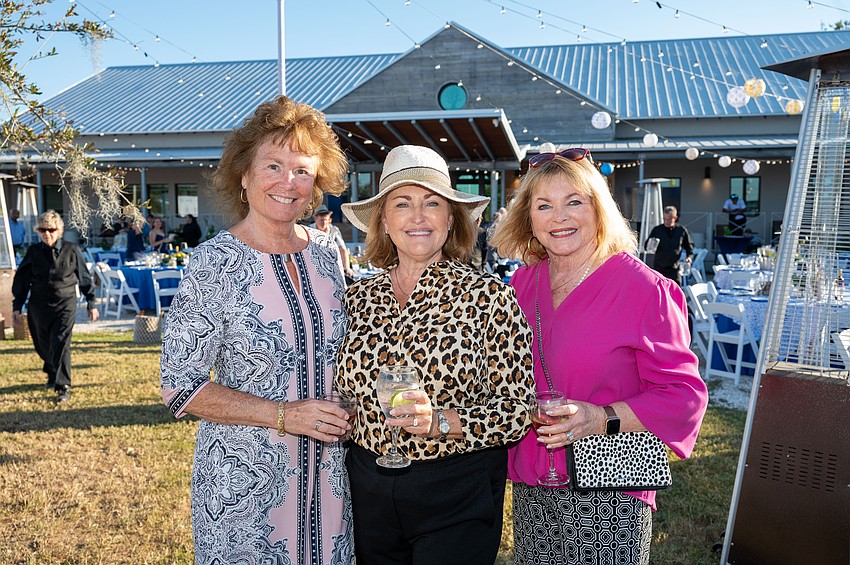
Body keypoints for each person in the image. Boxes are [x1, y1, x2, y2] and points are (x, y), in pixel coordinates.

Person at [490, 148, 708, 565]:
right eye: (544, 205)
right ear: (529, 218)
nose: (559, 217)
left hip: (609, 489)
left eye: (574, 201)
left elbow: (684, 397)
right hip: (533, 484)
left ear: (598, 208)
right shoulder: (521, 284)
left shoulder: (645, 290)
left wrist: (602, 417)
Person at [159, 95, 354, 564]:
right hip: (244, 491)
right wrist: (284, 414)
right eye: (273, 166)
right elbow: (180, 388)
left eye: (302, 170)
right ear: (244, 175)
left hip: (330, 482)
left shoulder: (327, 255)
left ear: (317, 183)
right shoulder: (214, 263)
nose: (288, 182)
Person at [335, 145, 535, 564]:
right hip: (367, 489)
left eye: (432, 203)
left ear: (451, 219)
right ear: (383, 221)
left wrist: (440, 421)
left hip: (455, 492)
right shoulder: (357, 297)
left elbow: (518, 411)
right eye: (402, 204)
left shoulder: (488, 298)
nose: (418, 217)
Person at [11, 210, 99, 402]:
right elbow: (22, 281)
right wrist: (17, 306)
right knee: (43, 344)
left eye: (50, 230)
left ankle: (63, 385)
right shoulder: (33, 252)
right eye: (42, 230)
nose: (47, 234)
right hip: (39, 306)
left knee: (61, 342)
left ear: (59, 230)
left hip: (65, 305)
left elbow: (84, 277)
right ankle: (52, 371)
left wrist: (91, 303)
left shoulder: (71, 250)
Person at [645, 205, 694, 285]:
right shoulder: (657, 230)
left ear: (675, 218)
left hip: (674, 268)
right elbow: (646, 246)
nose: (666, 222)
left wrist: (689, 257)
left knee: (675, 290)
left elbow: (689, 247)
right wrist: (651, 244)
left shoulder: (681, 230)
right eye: (664, 219)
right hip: (659, 268)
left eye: (669, 219)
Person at [311, 204, 355, 280]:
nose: (324, 223)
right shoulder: (309, 230)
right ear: (316, 219)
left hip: (331, 266)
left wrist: (347, 268)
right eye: (321, 220)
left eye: (326, 220)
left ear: (329, 220)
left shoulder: (334, 231)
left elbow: (342, 249)